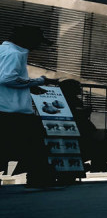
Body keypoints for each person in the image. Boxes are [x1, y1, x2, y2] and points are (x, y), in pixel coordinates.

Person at [0, 25, 58, 189]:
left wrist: (30, 87)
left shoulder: (3, 50)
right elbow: (7, 78)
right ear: (27, 40)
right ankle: (39, 179)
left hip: (4, 108)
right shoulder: (15, 54)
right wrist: (39, 81)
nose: (38, 47)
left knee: (7, 146)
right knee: (36, 145)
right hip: (14, 110)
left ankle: (39, 178)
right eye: (37, 43)